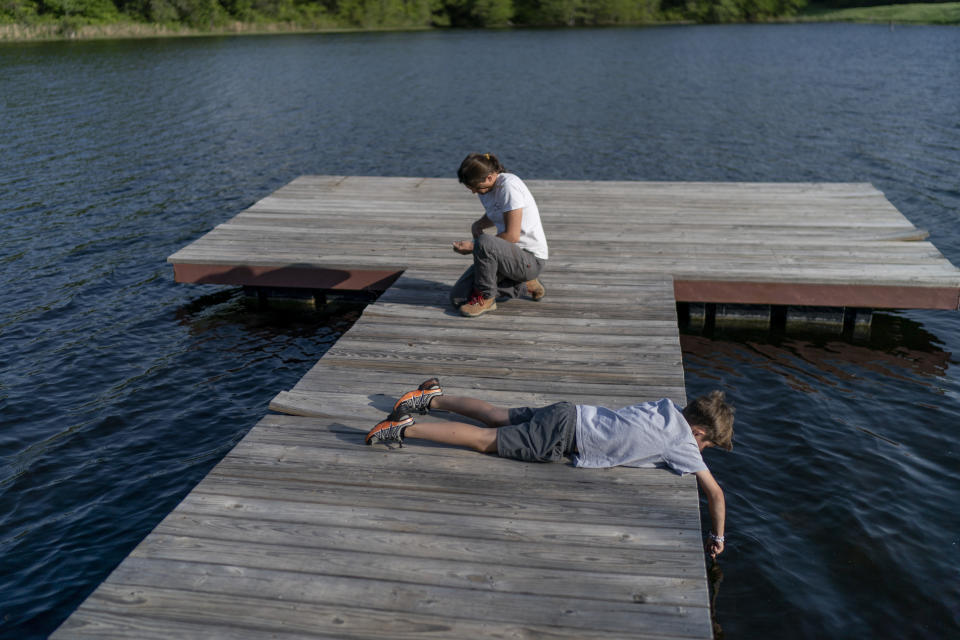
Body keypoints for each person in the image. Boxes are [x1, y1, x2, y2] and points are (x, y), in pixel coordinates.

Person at [366, 378, 734, 558]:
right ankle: (404, 429)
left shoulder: (668, 407)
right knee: (485, 439)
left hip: (570, 412)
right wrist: (717, 538)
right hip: (563, 437)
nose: (702, 451)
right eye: (706, 445)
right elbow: (715, 494)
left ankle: (429, 396)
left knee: (496, 414)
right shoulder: (684, 442)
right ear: (698, 432)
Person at [451, 153, 549, 317]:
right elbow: (496, 212)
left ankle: (487, 298)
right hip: (508, 257)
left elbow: (512, 236)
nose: (474, 192)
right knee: (457, 298)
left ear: (490, 177)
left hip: (530, 259)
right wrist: (478, 225)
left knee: (484, 242)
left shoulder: (509, 187)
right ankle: (524, 285)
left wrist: (473, 246)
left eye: (476, 187)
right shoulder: (487, 188)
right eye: (470, 188)